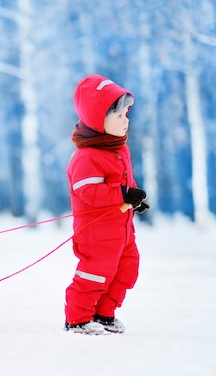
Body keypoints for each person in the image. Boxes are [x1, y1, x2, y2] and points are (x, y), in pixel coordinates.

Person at [64, 74, 149, 335]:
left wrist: (133, 200)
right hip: (96, 233)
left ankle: (104, 314)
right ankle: (77, 319)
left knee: (126, 270)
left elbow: (123, 183)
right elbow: (88, 191)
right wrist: (122, 194)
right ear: (98, 119)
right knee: (94, 274)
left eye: (127, 114)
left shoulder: (119, 150)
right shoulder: (87, 156)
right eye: (119, 116)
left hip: (122, 231)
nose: (126, 121)